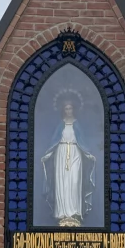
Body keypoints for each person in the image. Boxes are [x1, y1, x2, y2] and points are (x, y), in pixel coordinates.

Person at [40, 92, 96, 227]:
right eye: (66, 108)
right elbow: (54, 142)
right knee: (62, 183)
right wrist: (47, 155)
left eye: (70, 108)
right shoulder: (60, 126)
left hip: (76, 154)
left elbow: (82, 143)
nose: (68, 111)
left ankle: (75, 212)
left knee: (75, 182)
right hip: (61, 154)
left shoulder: (77, 125)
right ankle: (62, 213)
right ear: (63, 110)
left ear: (74, 109)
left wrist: (89, 155)